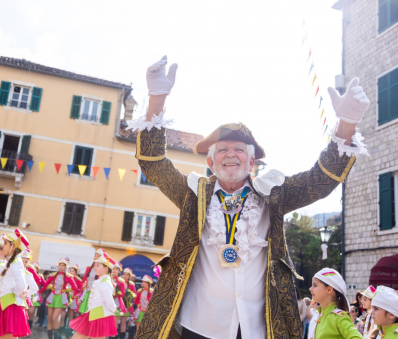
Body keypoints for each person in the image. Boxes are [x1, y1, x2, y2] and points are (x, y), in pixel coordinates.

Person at [126, 56, 370, 339]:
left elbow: (320, 181)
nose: (231, 154)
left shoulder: (274, 194)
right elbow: (154, 165)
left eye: (240, 149)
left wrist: (347, 124)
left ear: (251, 163)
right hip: (198, 325)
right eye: (222, 149)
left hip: (257, 327)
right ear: (210, 162)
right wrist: (156, 99)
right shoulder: (193, 193)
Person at [69, 254, 117, 339]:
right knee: (78, 336)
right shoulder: (100, 280)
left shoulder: (105, 282)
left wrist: (113, 309)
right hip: (92, 313)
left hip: (100, 316)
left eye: (98, 266)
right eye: (95, 265)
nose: (95, 267)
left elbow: (108, 300)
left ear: (106, 268)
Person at [308, 268, 362, 338]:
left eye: (315, 285)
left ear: (329, 289)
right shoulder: (319, 315)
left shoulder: (338, 317)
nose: (310, 288)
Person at [40, 258, 78, 339]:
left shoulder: (68, 276)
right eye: (60, 265)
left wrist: (67, 289)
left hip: (61, 298)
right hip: (52, 297)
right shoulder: (53, 275)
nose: (61, 267)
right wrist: (42, 290)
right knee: (50, 319)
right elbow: (46, 284)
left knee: (54, 318)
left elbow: (75, 287)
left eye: (63, 265)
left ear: (65, 267)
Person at [20, 248, 40, 330]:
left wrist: (26, 293)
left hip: (20, 300)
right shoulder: (13, 270)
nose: (24, 263)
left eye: (26, 261)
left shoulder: (28, 273)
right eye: (22, 261)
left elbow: (35, 287)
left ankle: (27, 329)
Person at [79, 249, 104, 314]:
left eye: (98, 256)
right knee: (84, 313)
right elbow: (83, 280)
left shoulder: (102, 270)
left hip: (95, 295)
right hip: (87, 293)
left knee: (92, 314)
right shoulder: (89, 268)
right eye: (95, 255)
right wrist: (81, 290)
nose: (96, 257)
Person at [111, 262, 127, 339]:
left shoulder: (121, 281)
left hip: (116, 303)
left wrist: (116, 293)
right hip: (105, 302)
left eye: (116, 269)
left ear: (119, 271)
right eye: (113, 269)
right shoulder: (107, 278)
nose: (114, 270)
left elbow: (122, 294)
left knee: (114, 324)